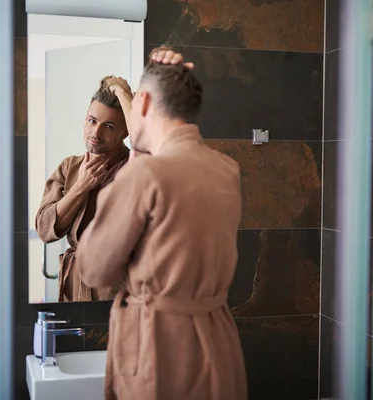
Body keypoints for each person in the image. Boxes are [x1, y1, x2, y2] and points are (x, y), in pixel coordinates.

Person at [77, 48, 248, 399]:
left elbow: (93, 270)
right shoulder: (226, 169)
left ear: (142, 104)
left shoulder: (145, 175)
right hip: (218, 343)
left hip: (160, 351)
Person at [35, 77, 132, 302]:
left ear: (125, 132)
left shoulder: (136, 167)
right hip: (74, 288)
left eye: (108, 126)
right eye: (91, 120)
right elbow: (44, 229)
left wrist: (121, 90)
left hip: (117, 289)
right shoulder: (69, 167)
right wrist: (80, 187)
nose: (95, 133)